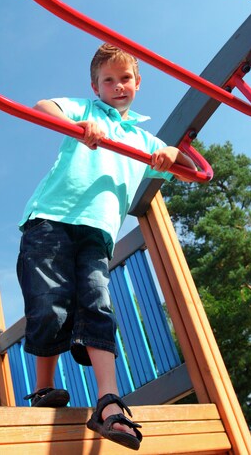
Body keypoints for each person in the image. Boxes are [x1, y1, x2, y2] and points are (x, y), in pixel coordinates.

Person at [16, 43, 196, 450]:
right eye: (108, 80)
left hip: (98, 231)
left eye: (125, 78)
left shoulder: (141, 138)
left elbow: (191, 172)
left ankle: (108, 401)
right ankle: (44, 388)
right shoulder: (87, 111)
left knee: (97, 305)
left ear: (138, 83)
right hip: (51, 218)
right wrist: (78, 126)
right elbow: (44, 105)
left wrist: (172, 152)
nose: (118, 86)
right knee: (50, 303)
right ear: (95, 87)